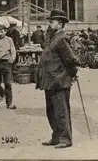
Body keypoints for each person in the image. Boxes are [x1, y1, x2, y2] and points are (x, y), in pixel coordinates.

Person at [36, 10, 78, 149]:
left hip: (59, 80)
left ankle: (66, 139)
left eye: (51, 21)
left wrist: (73, 73)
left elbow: (70, 59)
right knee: (51, 111)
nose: (49, 24)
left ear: (60, 24)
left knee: (61, 110)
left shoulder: (61, 38)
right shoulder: (52, 37)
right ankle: (56, 137)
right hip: (50, 80)